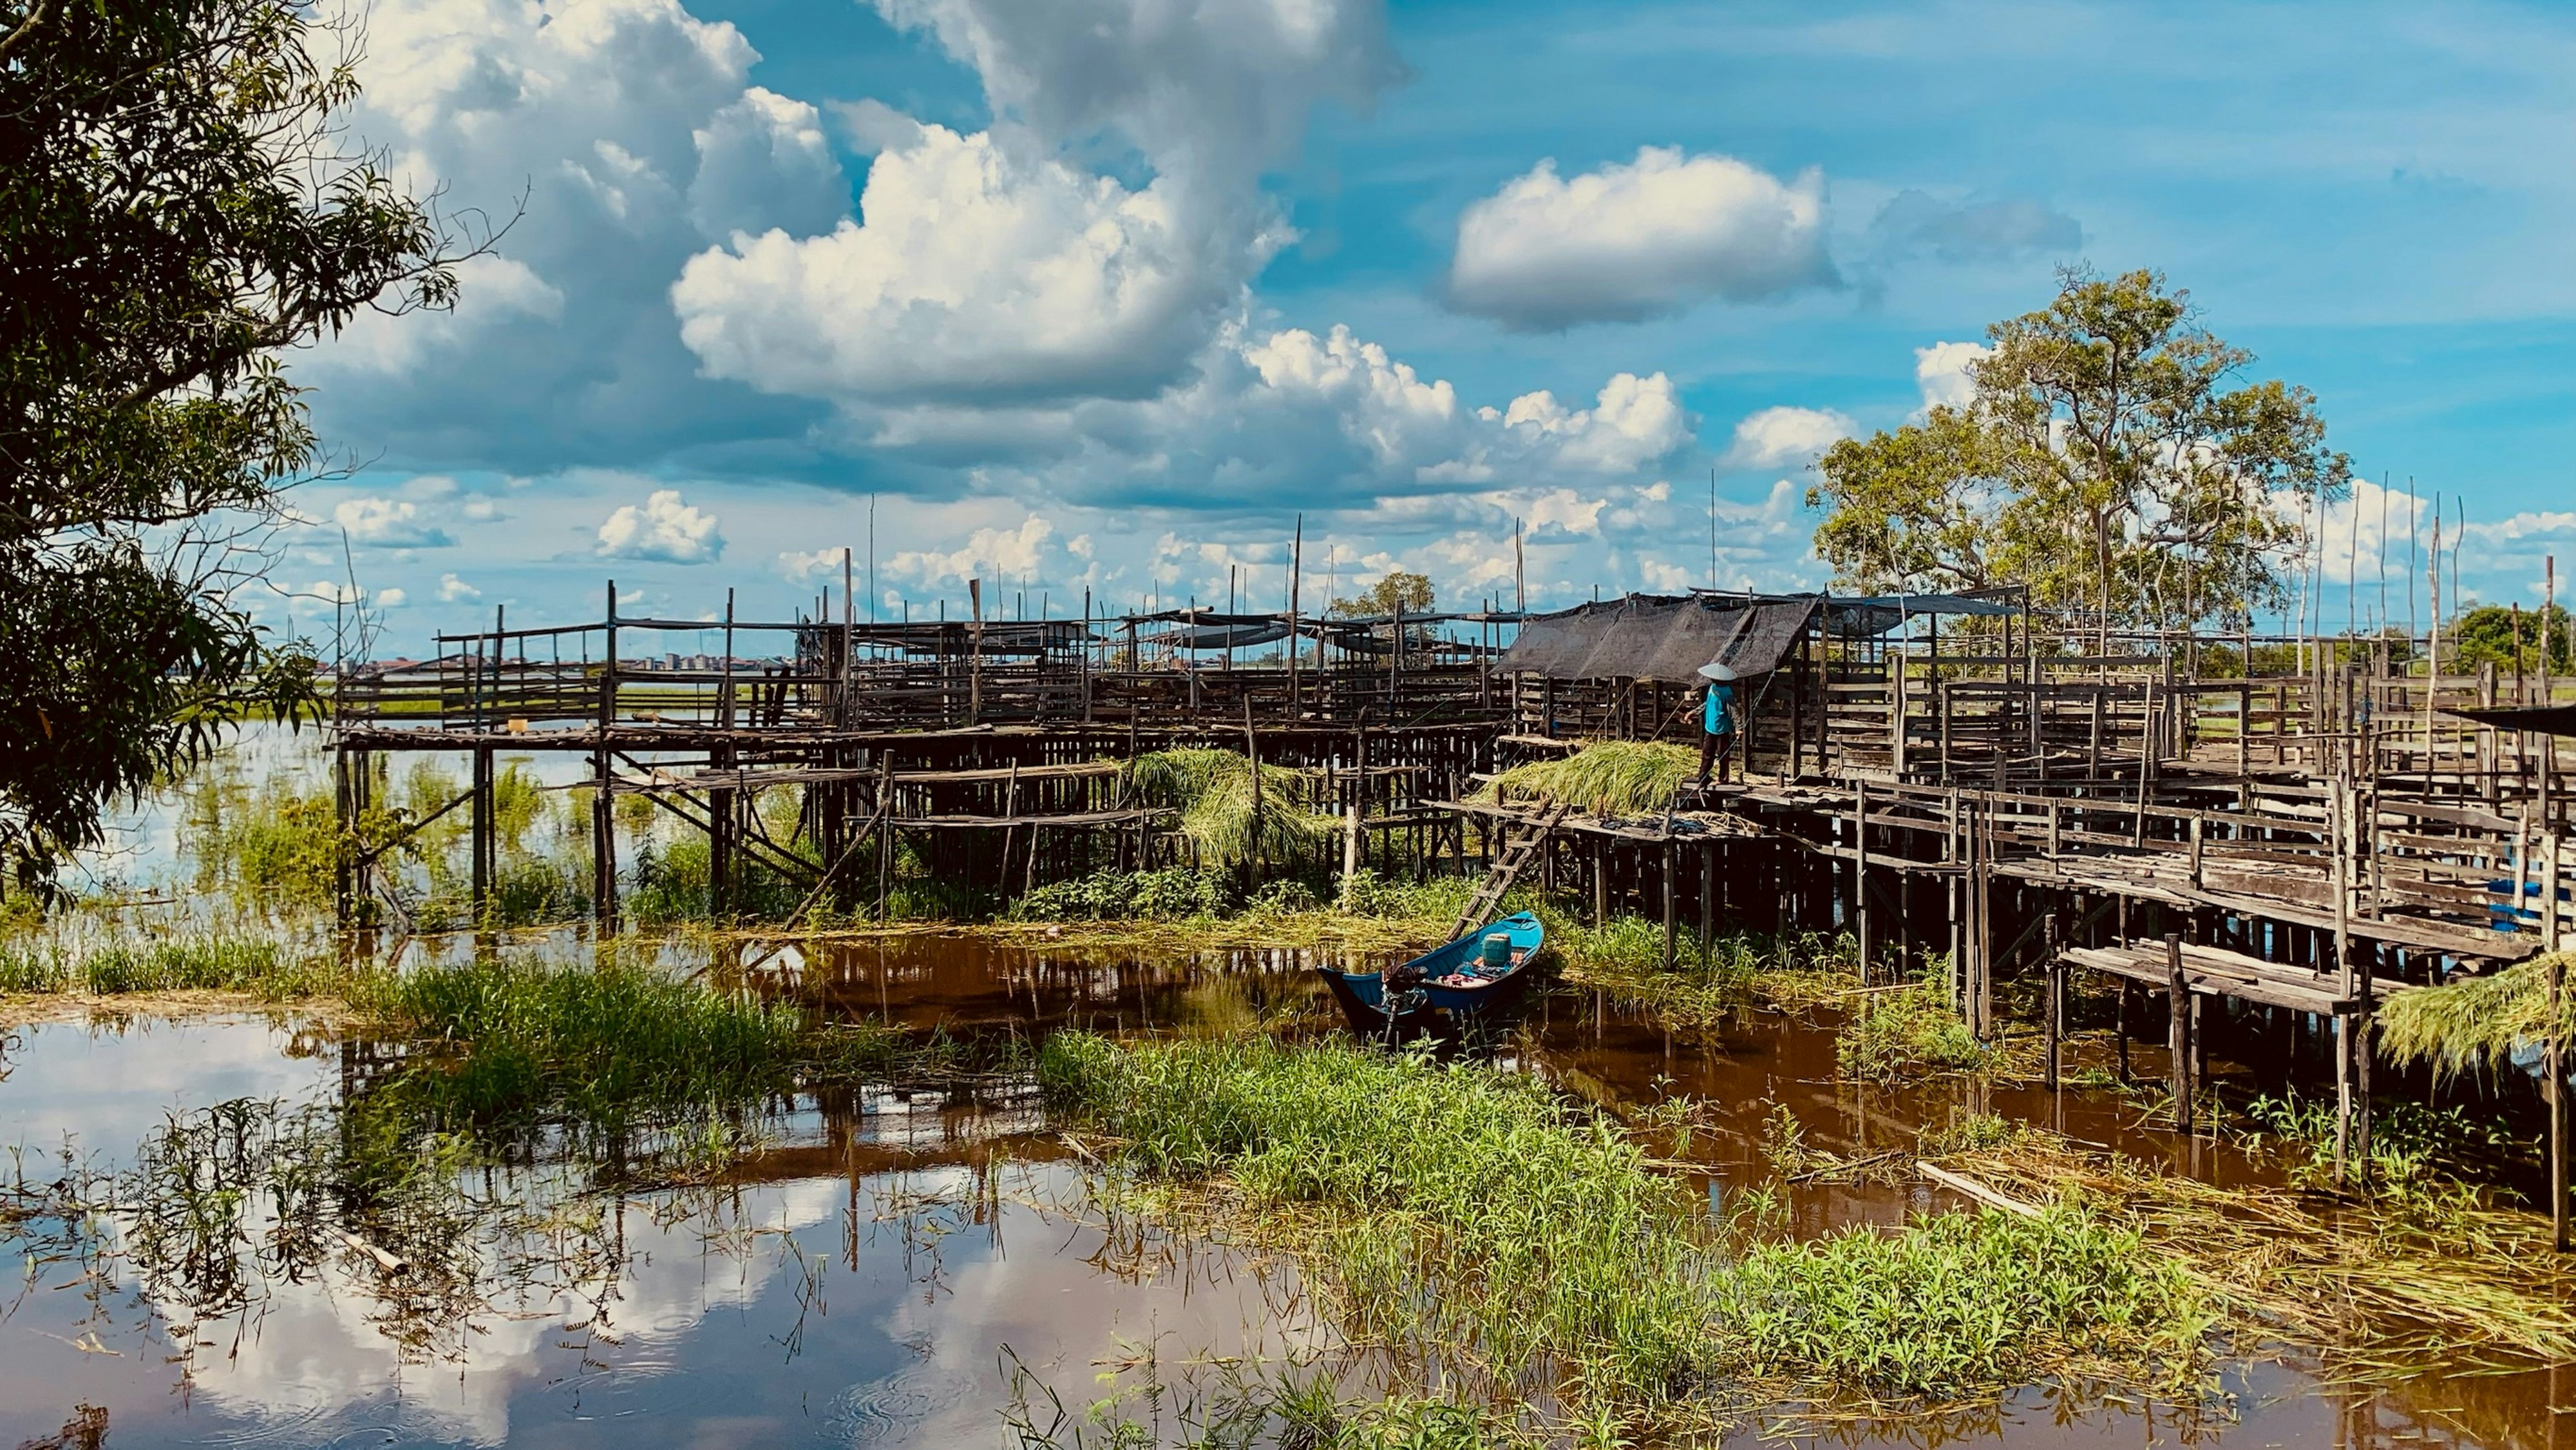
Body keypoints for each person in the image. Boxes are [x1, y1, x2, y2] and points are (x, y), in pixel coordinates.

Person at [1696, 663, 1738, 785]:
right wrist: (1693, 712)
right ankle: (1703, 778)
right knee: (1707, 754)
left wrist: (1738, 727)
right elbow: (1707, 704)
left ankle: (1723, 779)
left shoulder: (1727, 692)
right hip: (1710, 727)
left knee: (1722, 754)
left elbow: (1733, 710)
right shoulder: (1712, 688)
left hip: (1722, 728)